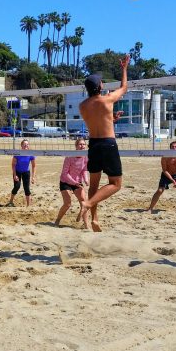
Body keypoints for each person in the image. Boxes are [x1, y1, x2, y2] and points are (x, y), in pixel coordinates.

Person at [77, 54, 130, 231]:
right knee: (116, 184)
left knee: (93, 185)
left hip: (93, 145)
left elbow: (98, 120)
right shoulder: (107, 99)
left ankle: (95, 219)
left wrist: (111, 118)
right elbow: (124, 87)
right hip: (108, 144)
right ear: (100, 86)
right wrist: (124, 67)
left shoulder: (82, 106)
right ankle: (88, 204)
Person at [55, 137, 90, 228]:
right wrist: (74, 182)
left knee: (84, 202)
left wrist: (86, 179)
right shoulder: (69, 157)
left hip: (77, 182)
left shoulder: (85, 156)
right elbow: (65, 173)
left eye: (83, 144)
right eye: (80, 144)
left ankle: (86, 225)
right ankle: (57, 220)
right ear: (76, 146)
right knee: (67, 203)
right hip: (65, 181)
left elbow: (84, 170)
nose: (82, 146)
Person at [7, 139, 36, 207]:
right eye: (24, 144)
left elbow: (34, 166)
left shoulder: (31, 154)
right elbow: (13, 165)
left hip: (26, 172)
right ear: (21, 146)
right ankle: (11, 201)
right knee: (17, 187)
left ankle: (28, 206)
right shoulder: (17, 153)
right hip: (17, 172)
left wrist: (33, 177)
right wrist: (15, 175)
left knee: (27, 188)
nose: (26, 146)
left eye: (27, 144)